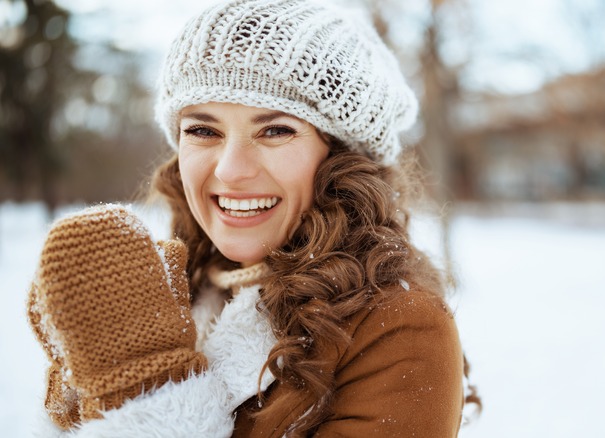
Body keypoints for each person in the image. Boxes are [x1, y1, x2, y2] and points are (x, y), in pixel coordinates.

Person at [27, 0, 480, 436]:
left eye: (276, 130)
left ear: (341, 156)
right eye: (203, 130)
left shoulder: (401, 327)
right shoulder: (186, 290)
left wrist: (142, 394)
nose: (230, 170)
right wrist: (81, 383)